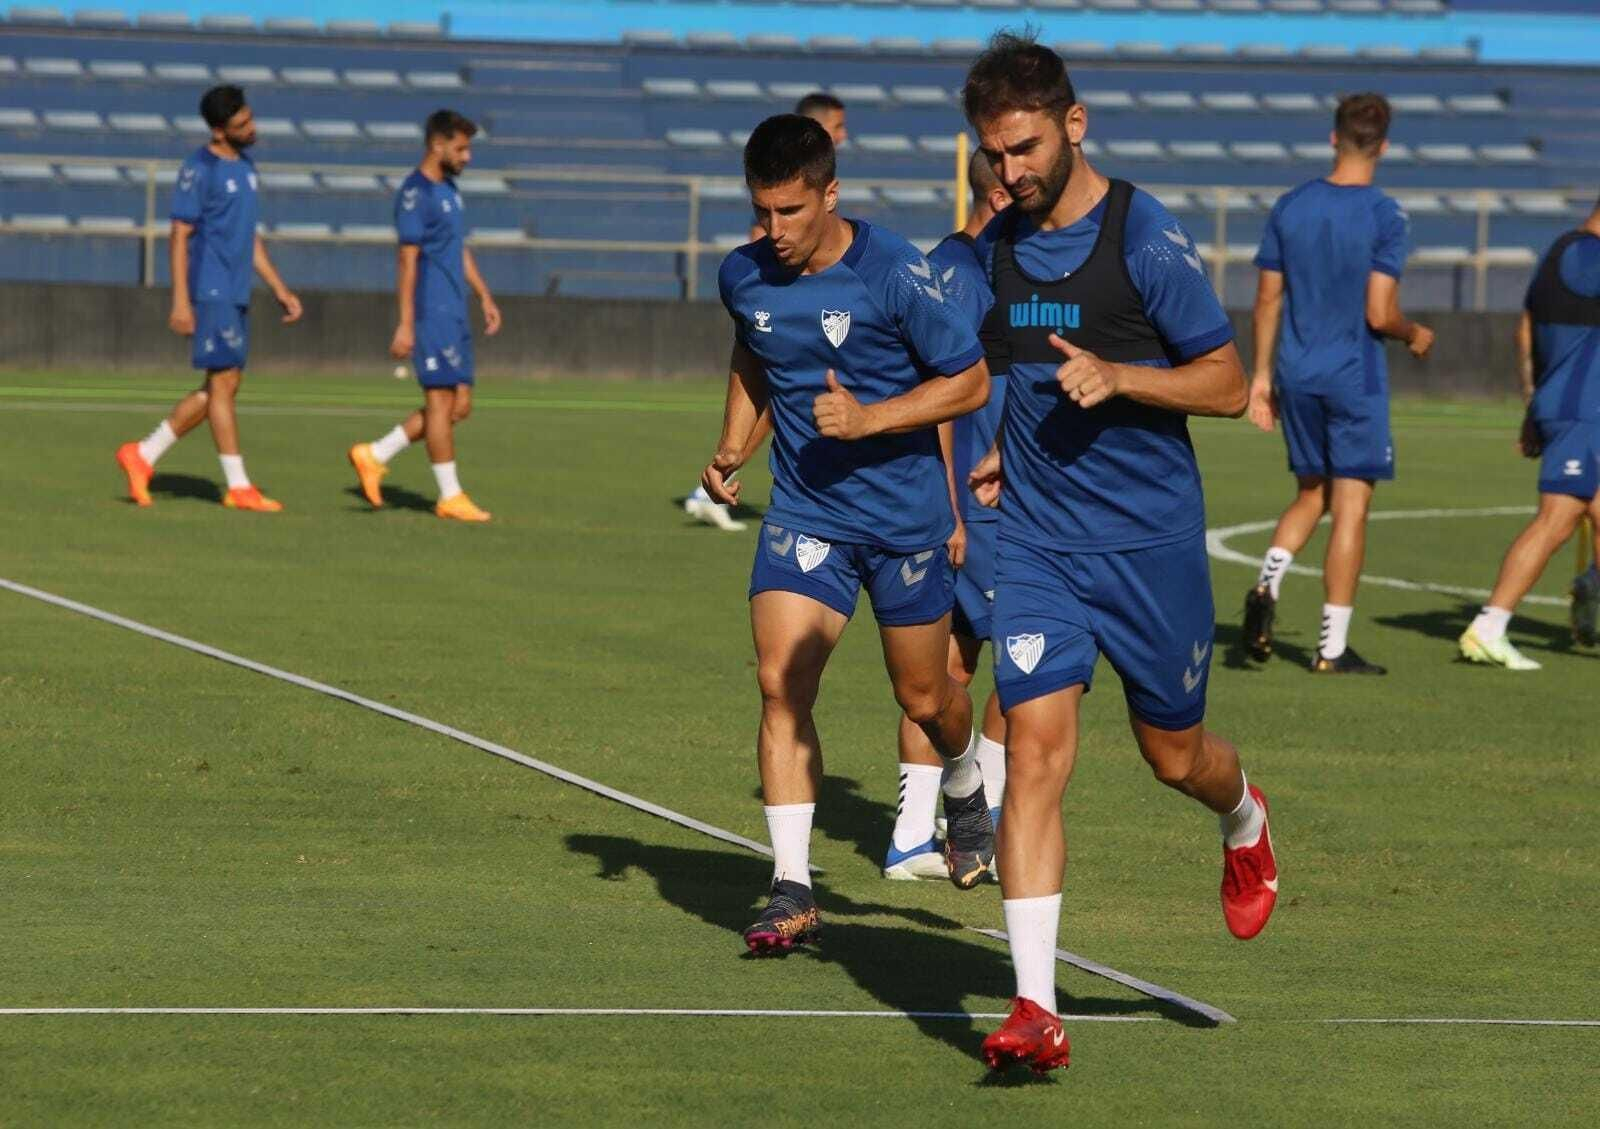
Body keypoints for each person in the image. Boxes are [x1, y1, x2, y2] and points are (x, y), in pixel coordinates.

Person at [957, 32, 1279, 1073]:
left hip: (1150, 550)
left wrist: (1124, 378)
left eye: (1023, 149)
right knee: (1038, 756)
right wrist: (1001, 455)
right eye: (992, 154)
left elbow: (1228, 385)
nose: (1008, 173)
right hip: (1041, 545)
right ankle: (1034, 1007)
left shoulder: (1143, 239)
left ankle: (1244, 818)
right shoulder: (997, 243)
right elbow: (1011, 365)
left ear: (1073, 124)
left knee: (1172, 757)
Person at [701, 114, 994, 953]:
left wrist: (871, 419)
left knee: (925, 698)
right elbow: (756, 355)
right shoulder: (744, 277)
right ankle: (791, 885)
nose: (774, 231)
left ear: (831, 193)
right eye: (761, 212)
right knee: (780, 681)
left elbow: (969, 381)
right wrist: (733, 444)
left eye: (791, 211)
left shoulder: (898, 273)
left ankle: (967, 778)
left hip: (905, 525)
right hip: (805, 513)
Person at [1243, 93, 1434, 672]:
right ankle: (1330, 648)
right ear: (1385, 145)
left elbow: (1267, 298)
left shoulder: (1291, 205)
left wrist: (1260, 376)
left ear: (1333, 138)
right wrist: (1413, 332)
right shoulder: (1385, 213)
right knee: (1351, 507)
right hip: (1354, 377)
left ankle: (1268, 580)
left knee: (1311, 493)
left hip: (1297, 374)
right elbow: (1380, 312)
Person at [885, 151, 1013, 881]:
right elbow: (938, 393)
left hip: (987, 502)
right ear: (997, 192)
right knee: (1016, 669)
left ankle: (922, 833)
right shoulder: (962, 275)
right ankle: (976, 822)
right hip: (981, 506)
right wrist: (954, 511)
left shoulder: (973, 267)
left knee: (953, 669)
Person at [116, 85, 302, 511]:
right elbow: (179, 235)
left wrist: (279, 287)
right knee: (222, 384)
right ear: (219, 131)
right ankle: (238, 487)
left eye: (251, 119)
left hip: (236, 290)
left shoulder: (248, 169)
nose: (252, 129)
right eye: (241, 125)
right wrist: (181, 301)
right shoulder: (199, 169)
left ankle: (141, 455)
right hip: (212, 288)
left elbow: (248, 238)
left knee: (223, 384)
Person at [685, 93, 850, 532]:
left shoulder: (815, 188)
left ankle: (720, 479)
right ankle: (716, 481)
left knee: (792, 399)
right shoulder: (777, 217)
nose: (844, 134)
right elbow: (772, 247)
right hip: (790, 309)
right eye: (839, 126)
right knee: (787, 395)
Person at [1459, 197, 1600, 670]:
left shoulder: (1560, 253)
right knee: (1558, 518)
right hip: (1582, 409)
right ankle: (1489, 626)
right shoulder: (1586, 255)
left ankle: (1591, 587)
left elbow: (1524, 331)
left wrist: (1532, 403)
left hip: (1569, 403)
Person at [348, 110, 501, 523]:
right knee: (438, 403)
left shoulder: (450, 191)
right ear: (437, 145)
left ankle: (375, 454)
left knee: (459, 406)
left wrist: (483, 294)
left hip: (455, 310)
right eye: (461, 148)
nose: (467, 156)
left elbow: (458, 247)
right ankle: (450, 496)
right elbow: (407, 260)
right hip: (431, 311)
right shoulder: (415, 194)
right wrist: (405, 322)